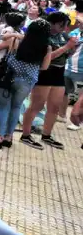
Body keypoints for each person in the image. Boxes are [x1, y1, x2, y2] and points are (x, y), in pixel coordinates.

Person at [0, 19, 52, 148]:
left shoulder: (18, 40)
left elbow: (2, 40)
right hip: (27, 81)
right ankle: (8, 137)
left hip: (9, 77)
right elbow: (44, 67)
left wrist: (15, 34)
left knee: (3, 107)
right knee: (16, 107)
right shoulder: (47, 48)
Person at [20, 12, 77, 150]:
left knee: (55, 106)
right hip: (44, 71)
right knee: (37, 105)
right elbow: (47, 57)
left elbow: (68, 54)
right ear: (54, 23)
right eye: (62, 24)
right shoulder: (42, 35)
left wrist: (72, 48)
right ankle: (25, 135)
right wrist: (66, 47)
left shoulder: (63, 36)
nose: (64, 28)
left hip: (59, 72)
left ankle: (46, 135)